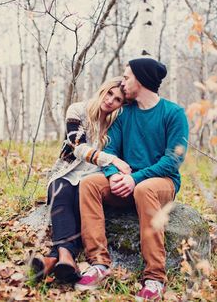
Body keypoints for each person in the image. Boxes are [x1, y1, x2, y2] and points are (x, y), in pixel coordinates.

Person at [75, 58, 189, 301]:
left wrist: (135, 179)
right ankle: (98, 263)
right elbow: (111, 152)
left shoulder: (174, 113)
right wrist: (113, 175)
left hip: (161, 182)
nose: (123, 82)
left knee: (144, 189)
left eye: (127, 77)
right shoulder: (124, 114)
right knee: (89, 184)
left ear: (142, 79)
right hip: (126, 181)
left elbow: (173, 160)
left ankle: (154, 278)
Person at [31, 77, 131, 283]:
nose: (111, 100)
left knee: (81, 198)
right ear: (102, 89)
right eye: (109, 93)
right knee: (61, 192)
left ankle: (53, 258)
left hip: (93, 179)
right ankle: (66, 256)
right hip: (66, 173)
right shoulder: (77, 110)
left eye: (118, 99)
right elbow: (77, 147)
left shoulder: (116, 124)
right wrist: (111, 158)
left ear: (121, 104)